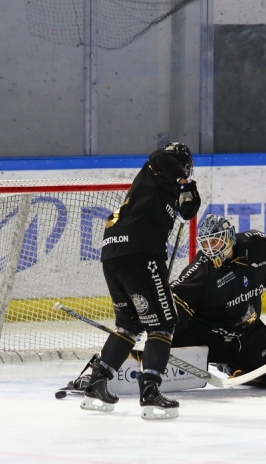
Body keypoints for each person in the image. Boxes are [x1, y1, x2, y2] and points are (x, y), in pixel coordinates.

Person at [80, 142, 201, 420]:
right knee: (163, 324)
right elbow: (159, 156)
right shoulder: (157, 167)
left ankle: (97, 383)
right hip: (140, 255)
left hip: (114, 256)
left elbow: (187, 211)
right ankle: (150, 392)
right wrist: (184, 181)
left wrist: (186, 193)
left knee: (130, 324)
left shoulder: (159, 187)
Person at [170, 214, 266, 389]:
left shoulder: (258, 246)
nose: (210, 248)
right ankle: (232, 363)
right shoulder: (201, 272)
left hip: (249, 337)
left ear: (229, 237)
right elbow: (175, 309)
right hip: (208, 340)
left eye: (214, 241)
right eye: (205, 243)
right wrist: (158, 338)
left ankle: (234, 366)